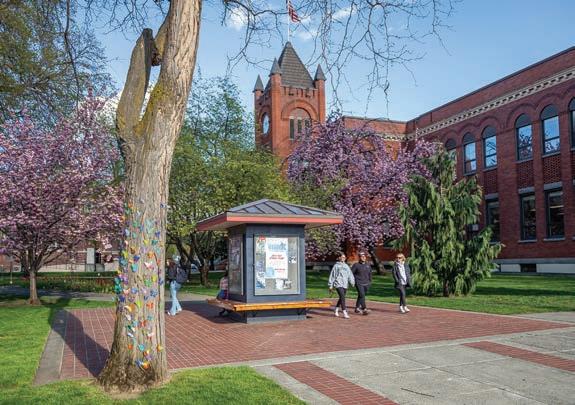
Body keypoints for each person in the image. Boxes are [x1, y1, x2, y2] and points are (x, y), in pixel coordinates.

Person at [328, 252, 355, 319]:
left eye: (344, 257)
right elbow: (332, 276)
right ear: (339, 258)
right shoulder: (336, 266)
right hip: (338, 284)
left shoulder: (346, 266)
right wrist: (330, 285)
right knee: (342, 297)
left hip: (345, 284)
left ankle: (336, 309)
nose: (343, 258)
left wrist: (352, 282)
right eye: (342, 257)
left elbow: (350, 274)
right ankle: (344, 312)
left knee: (341, 298)